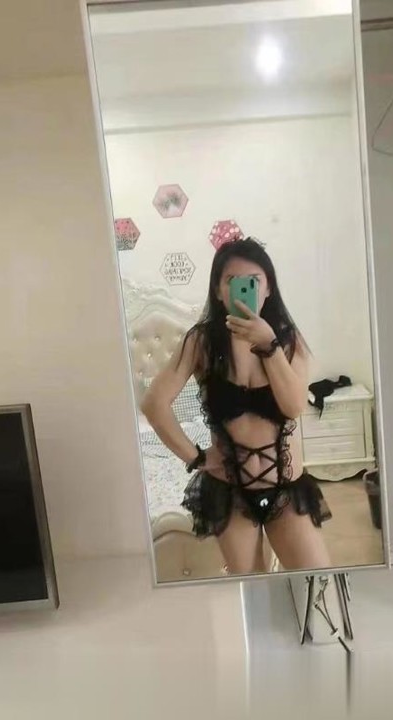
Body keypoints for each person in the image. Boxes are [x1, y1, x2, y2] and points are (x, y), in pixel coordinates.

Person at [141, 237, 331, 574]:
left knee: (317, 579)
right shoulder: (202, 342)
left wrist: (268, 345)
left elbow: (293, 407)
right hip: (230, 493)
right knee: (252, 589)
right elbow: (154, 404)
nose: (243, 289)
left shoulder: (287, 339)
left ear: (268, 288)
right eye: (231, 280)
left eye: (253, 281)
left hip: (286, 487)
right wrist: (196, 458)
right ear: (218, 290)